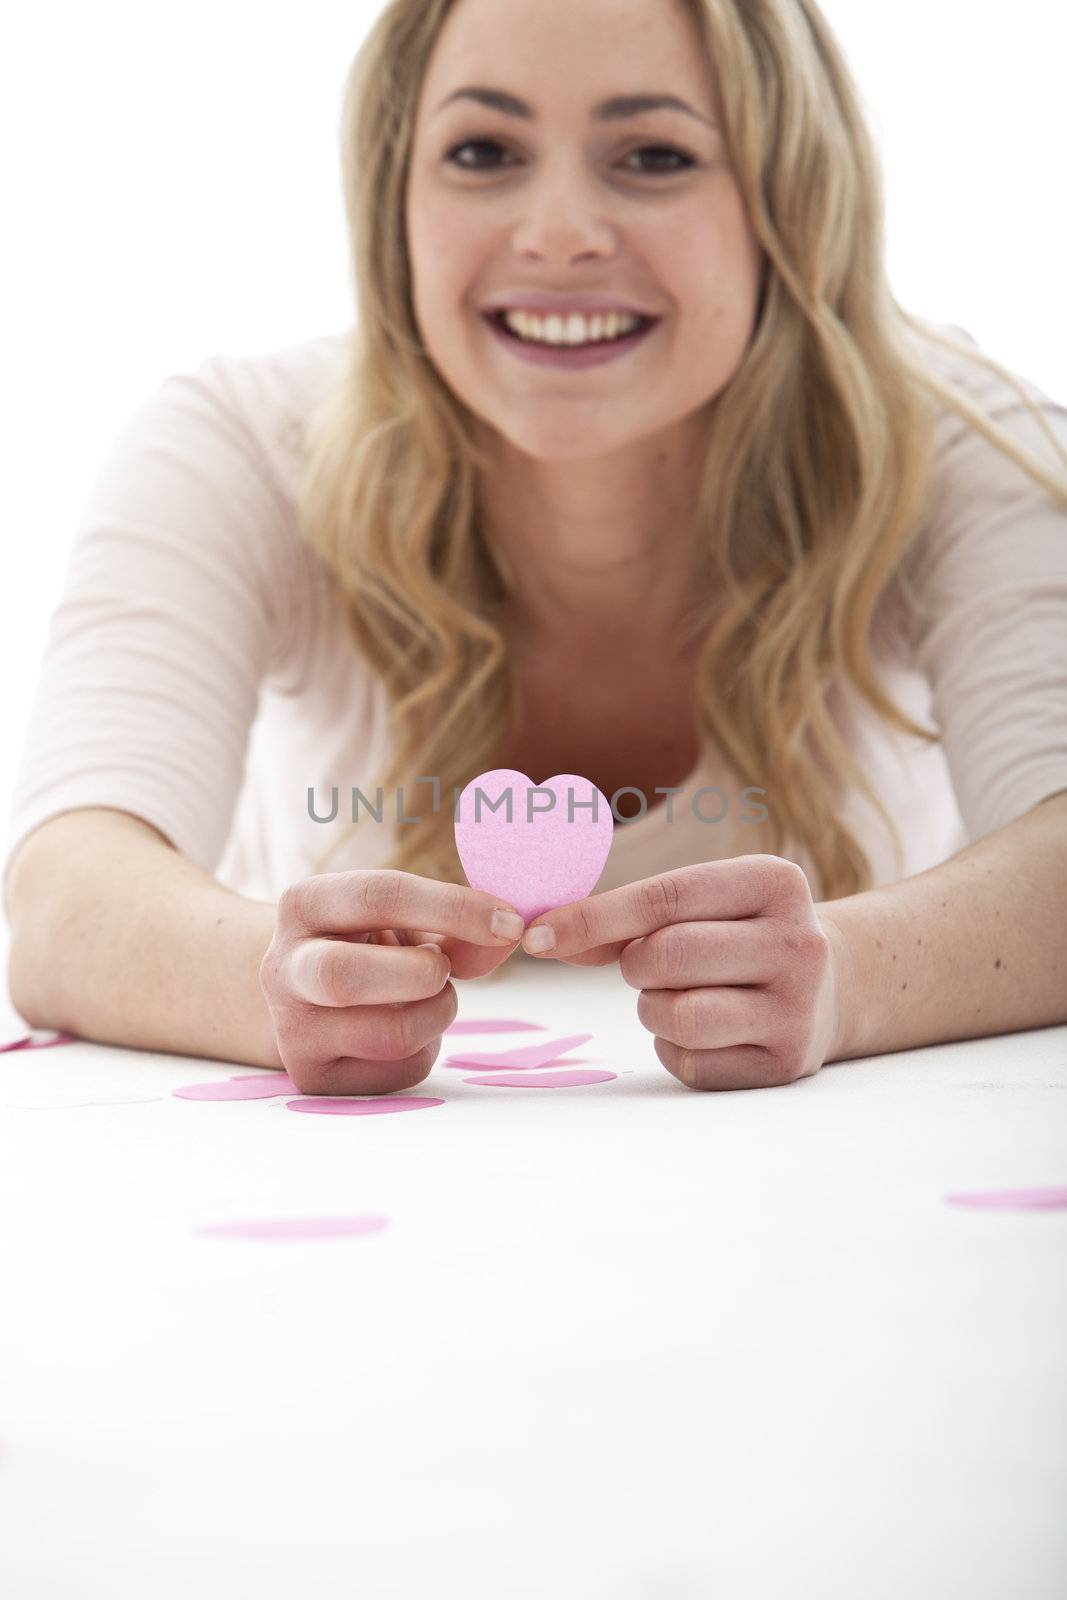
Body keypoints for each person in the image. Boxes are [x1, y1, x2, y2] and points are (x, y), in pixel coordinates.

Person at [3, 0, 1066, 1095]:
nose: (558, 231)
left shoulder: (959, 451)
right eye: (482, 151)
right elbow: (63, 886)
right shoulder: (239, 444)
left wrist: (851, 978)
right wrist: (268, 981)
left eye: (654, 155)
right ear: (393, 203)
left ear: (786, 205)